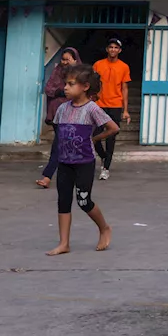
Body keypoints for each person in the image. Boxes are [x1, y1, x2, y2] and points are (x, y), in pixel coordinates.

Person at [46, 64, 116, 256]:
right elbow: (59, 135)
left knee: (84, 201)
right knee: (63, 200)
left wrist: (93, 139)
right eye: (65, 84)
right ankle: (64, 243)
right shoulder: (62, 109)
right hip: (65, 162)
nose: (65, 88)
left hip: (84, 162)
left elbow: (113, 128)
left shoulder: (92, 109)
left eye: (71, 84)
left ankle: (104, 228)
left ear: (85, 87)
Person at [36, 48, 81, 189]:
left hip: (77, 114)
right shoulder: (57, 72)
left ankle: (53, 175)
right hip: (58, 114)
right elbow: (48, 89)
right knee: (60, 144)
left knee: (67, 144)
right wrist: (60, 91)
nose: (65, 62)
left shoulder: (81, 74)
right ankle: (48, 176)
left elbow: (86, 91)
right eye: (63, 59)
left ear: (75, 59)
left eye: (68, 59)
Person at [93, 38, 132, 180]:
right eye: (111, 47)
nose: (113, 50)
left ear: (120, 50)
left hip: (115, 105)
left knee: (111, 138)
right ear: (107, 49)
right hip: (99, 104)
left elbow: (124, 88)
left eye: (116, 47)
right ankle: (103, 157)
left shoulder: (124, 67)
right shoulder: (98, 64)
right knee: (95, 136)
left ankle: (106, 168)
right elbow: (93, 83)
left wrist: (125, 110)